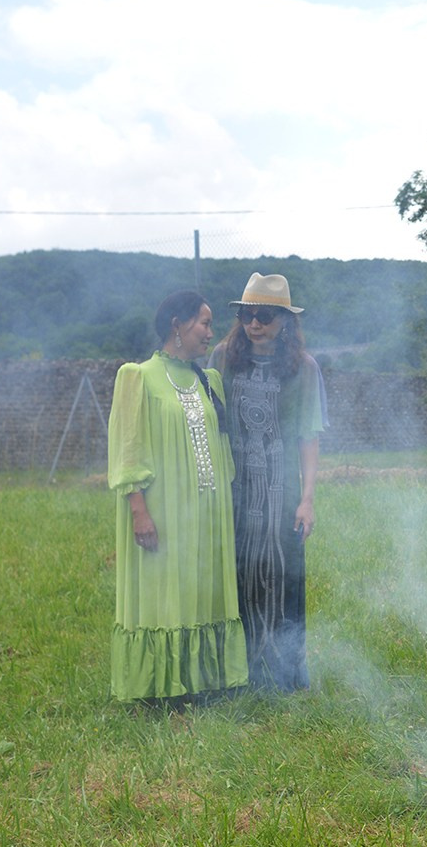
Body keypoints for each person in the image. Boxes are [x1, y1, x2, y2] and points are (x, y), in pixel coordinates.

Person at [107, 290, 248, 703]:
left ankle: (203, 680)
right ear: (177, 325)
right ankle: (159, 688)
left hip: (206, 510)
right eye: (204, 323)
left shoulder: (210, 380)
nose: (211, 332)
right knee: (164, 589)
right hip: (163, 508)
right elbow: (128, 450)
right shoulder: (137, 376)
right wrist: (139, 511)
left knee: (202, 585)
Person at [209, 273, 326, 693]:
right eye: (246, 315)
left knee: (281, 574)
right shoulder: (223, 357)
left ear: (285, 321)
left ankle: (283, 675)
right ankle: (239, 672)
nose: (253, 325)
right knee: (237, 572)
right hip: (234, 487)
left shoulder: (303, 368)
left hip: (281, 489)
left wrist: (307, 499)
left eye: (263, 316)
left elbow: (307, 437)